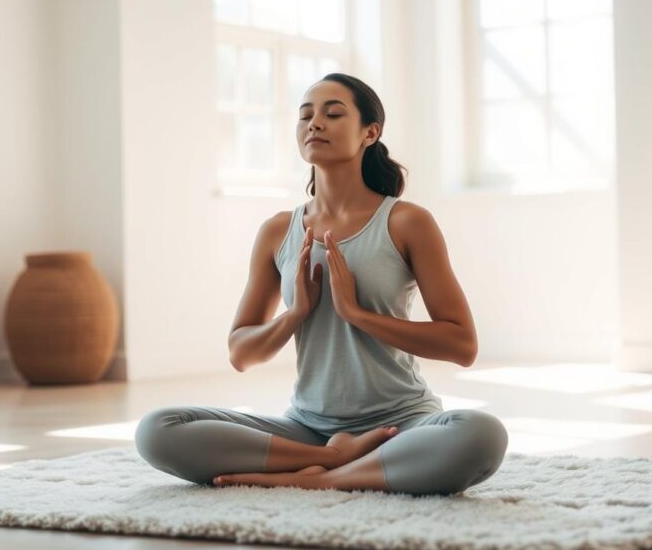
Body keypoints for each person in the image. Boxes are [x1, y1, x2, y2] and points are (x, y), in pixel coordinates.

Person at [135, 73, 508, 496]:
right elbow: (241, 352)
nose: (315, 124)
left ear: (371, 132)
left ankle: (320, 478)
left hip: (400, 426)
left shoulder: (407, 222)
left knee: (481, 434)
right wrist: (295, 314)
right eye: (305, 116)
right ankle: (337, 460)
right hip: (309, 429)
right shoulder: (278, 231)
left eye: (333, 114)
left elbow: (462, 346)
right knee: (157, 430)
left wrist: (357, 314)